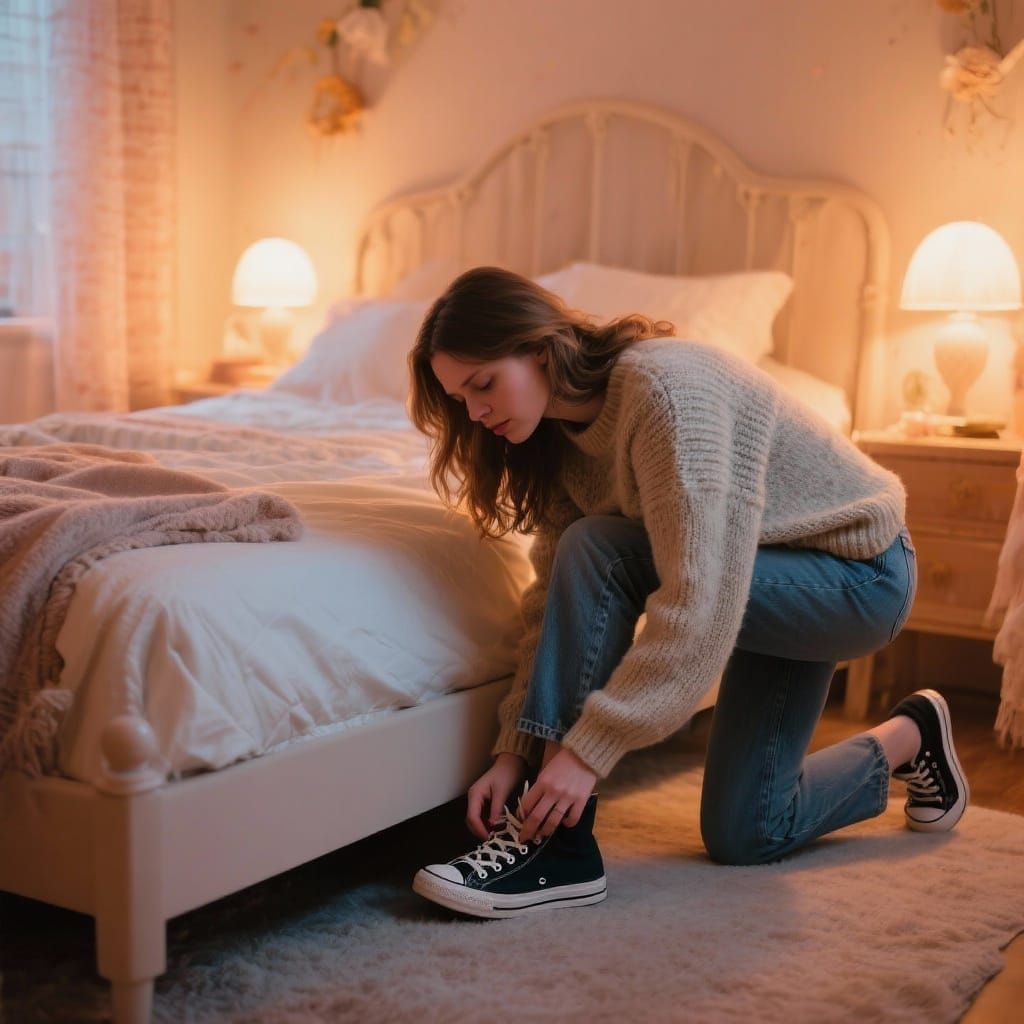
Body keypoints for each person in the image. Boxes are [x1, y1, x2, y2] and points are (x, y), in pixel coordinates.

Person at [405, 265, 969, 920]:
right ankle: (913, 734)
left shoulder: (666, 396)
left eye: (483, 384)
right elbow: (552, 607)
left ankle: (558, 847)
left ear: (538, 348)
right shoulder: (555, 442)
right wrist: (515, 747)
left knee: (597, 545)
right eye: (460, 399)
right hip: (760, 574)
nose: (475, 412)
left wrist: (586, 753)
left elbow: (697, 606)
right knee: (747, 832)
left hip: (856, 577)